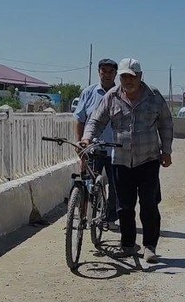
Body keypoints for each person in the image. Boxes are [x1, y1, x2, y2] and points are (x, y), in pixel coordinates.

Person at [81, 58, 173, 264]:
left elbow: (166, 123)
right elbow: (96, 119)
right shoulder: (112, 97)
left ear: (140, 77)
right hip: (121, 161)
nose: (128, 80)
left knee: (149, 205)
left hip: (148, 159)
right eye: (124, 76)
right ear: (120, 77)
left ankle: (150, 246)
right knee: (124, 207)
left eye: (132, 76)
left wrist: (166, 150)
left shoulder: (154, 96)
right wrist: (87, 136)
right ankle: (128, 245)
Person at [74, 58, 120, 228]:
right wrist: (80, 143)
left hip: (116, 149)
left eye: (110, 72)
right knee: (89, 184)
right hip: (93, 148)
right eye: (103, 71)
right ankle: (87, 217)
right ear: (99, 72)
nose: (107, 75)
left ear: (115, 74)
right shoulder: (88, 92)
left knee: (115, 187)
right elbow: (80, 120)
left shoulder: (120, 93)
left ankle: (110, 219)